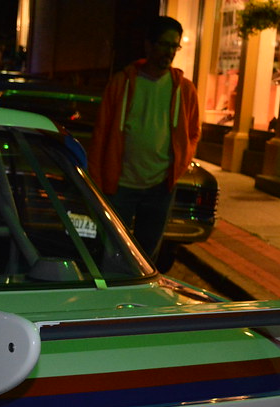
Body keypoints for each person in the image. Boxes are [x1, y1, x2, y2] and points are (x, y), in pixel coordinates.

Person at [88, 15, 200, 260]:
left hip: (160, 186)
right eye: (164, 44)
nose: (169, 52)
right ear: (149, 45)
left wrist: (179, 164)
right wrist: (97, 179)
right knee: (112, 250)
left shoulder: (185, 89)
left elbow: (193, 133)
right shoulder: (122, 83)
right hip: (120, 185)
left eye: (175, 46)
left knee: (147, 255)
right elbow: (102, 133)